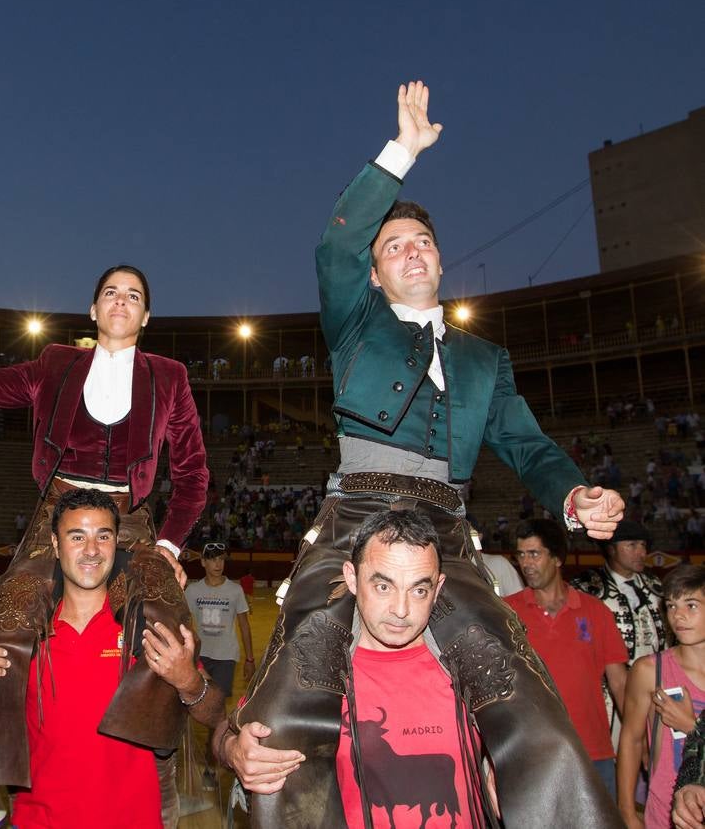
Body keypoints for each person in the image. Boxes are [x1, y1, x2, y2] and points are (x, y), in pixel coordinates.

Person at [231, 81, 625, 828]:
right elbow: (333, 243)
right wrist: (403, 152)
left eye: (423, 242)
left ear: (441, 260)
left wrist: (575, 496)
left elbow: (527, 444)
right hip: (357, 517)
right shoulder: (355, 323)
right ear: (374, 273)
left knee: (530, 707)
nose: (412, 252)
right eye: (393, 247)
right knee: (288, 698)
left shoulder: (485, 359)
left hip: (449, 531)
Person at [0, 263, 208, 814]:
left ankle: (159, 794)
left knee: (170, 647)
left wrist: (169, 546)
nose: (120, 301)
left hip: (131, 524)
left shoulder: (169, 375)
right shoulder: (55, 363)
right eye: (110, 293)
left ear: (145, 316)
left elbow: (193, 475)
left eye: (133, 296)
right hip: (57, 518)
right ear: (93, 310)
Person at [0, 489, 224, 828]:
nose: (91, 550)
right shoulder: (22, 631)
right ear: (54, 541)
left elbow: (215, 712)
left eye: (102, 536)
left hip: (132, 820)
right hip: (39, 820)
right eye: (77, 536)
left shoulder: (146, 625)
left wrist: (187, 680)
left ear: (116, 542)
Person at [217, 509, 499, 827]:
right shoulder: (312, 669)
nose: (401, 610)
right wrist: (233, 750)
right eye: (383, 586)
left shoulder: (473, 666)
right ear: (351, 577)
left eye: (419, 590)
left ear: (438, 588)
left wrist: (501, 767)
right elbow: (226, 732)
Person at [505, 519, 628, 799]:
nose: (526, 563)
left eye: (534, 554)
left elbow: (620, 684)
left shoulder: (595, 611)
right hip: (532, 753)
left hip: (592, 751)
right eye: (521, 555)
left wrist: (637, 741)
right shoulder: (506, 612)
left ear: (557, 558)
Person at [618, 565, 705, 829]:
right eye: (671, 606)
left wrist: (692, 727)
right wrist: (627, 812)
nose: (678, 615)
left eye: (691, 605)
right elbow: (631, 741)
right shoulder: (650, 671)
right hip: (665, 813)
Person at [571, 520, 665, 746]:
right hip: (607, 693)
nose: (641, 552)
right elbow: (581, 640)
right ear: (611, 548)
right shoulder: (587, 588)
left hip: (656, 687)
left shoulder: (656, 586)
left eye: (643, 545)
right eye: (632, 545)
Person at [185, 541, 255, 787]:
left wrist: (249, 658)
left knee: (217, 714)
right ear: (203, 562)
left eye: (221, 559)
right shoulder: (192, 591)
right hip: (199, 658)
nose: (218, 564)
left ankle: (210, 767)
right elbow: (185, 624)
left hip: (226, 657)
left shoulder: (234, 591)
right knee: (188, 710)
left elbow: (244, 625)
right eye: (212, 559)